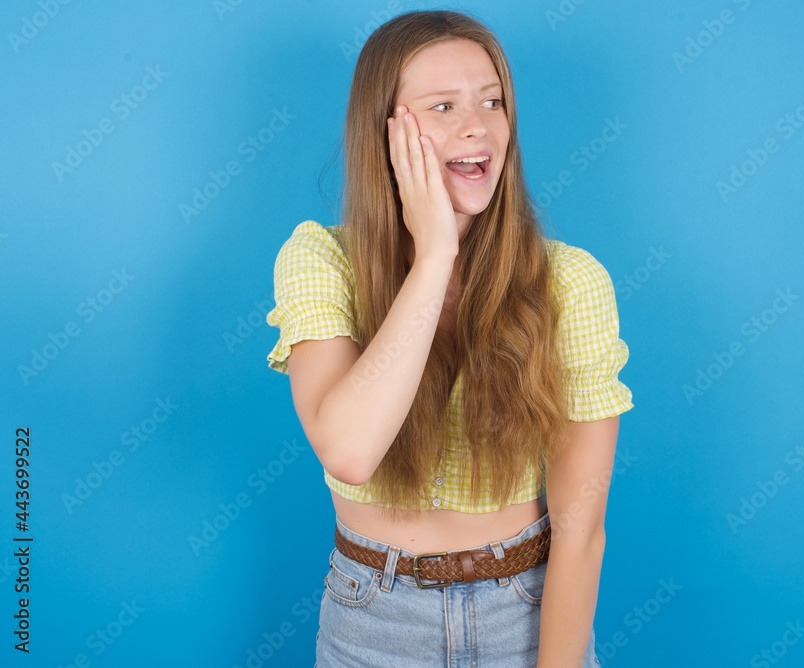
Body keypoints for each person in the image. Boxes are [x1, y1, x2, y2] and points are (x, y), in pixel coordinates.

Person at [265, 10, 633, 667]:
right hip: (373, 619)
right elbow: (350, 451)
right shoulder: (321, 260)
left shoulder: (571, 282)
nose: (479, 127)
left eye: (493, 102)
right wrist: (435, 256)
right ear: (384, 131)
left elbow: (581, 532)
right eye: (443, 106)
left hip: (525, 612)